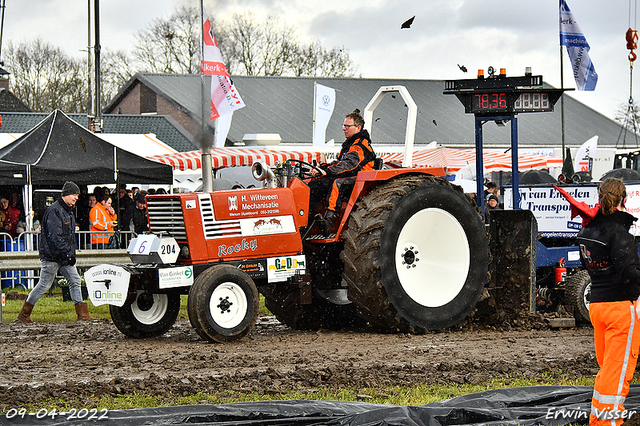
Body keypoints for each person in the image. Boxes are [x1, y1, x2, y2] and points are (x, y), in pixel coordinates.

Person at [576, 178, 640, 426]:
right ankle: (607, 423)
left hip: (598, 307)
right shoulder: (619, 232)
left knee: (607, 369)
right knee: (617, 372)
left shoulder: (588, 230)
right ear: (624, 200)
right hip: (620, 309)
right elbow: (629, 274)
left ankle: (599, 419)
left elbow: (590, 265)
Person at [13, 181, 93, 323]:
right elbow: (55, 237)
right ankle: (24, 315)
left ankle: (83, 315)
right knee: (44, 285)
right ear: (66, 195)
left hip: (63, 256)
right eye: (74, 195)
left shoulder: (67, 210)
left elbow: (64, 237)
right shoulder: (55, 211)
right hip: (52, 257)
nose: (76, 198)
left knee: (75, 281)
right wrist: (68, 254)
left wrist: (69, 254)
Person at [308, 109, 376, 235]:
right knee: (314, 185)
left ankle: (329, 223)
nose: (344, 129)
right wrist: (321, 169)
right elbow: (339, 162)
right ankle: (307, 220)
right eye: (343, 126)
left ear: (358, 128)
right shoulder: (349, 144)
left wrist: (327, 171)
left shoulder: (361, 145)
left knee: (337, 183)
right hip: (351, 176)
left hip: (361, 180)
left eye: (347, 126)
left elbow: (349, 165)